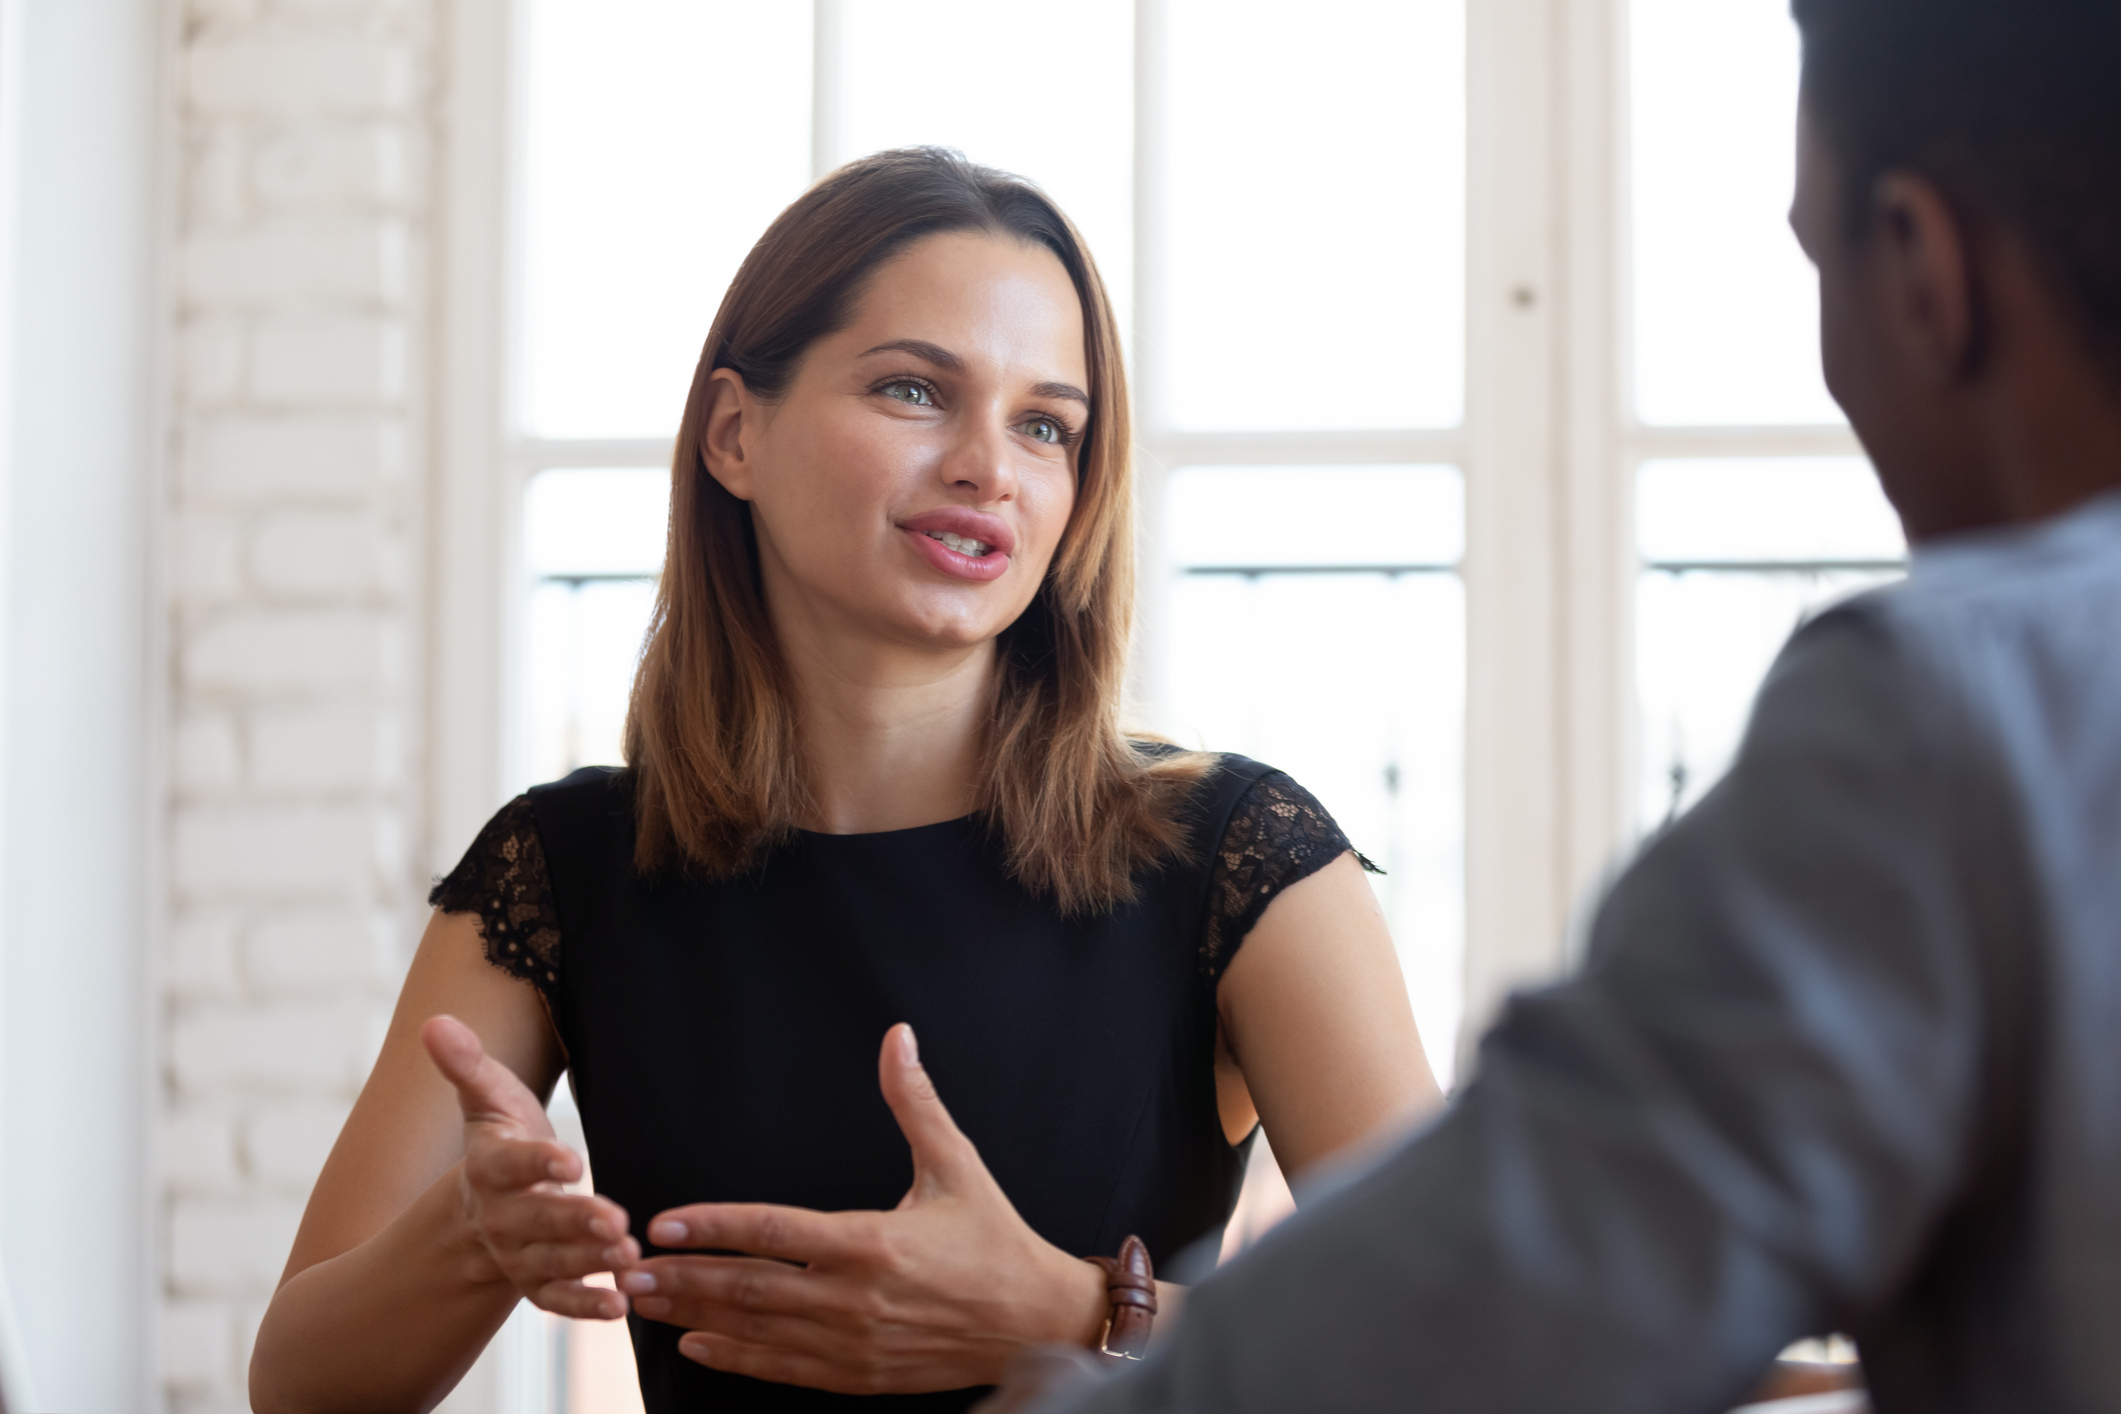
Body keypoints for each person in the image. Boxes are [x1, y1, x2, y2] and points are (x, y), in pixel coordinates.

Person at [992, 1, 2121, 1411]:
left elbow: (1498, 1307)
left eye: (1814, 260)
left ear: (1920, 267)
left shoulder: (1963, 710)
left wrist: (1073, 1339)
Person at [247, 149, 1441, 1414]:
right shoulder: (562, 868)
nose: (992, 465)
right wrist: (472, 1242)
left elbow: (1486, 1351)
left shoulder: (1239, 857)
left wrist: (1067, 1313)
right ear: (734, 433)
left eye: (1048, 424)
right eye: (916, 390)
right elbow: (300, 1388)